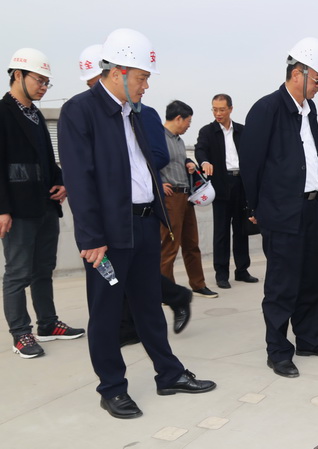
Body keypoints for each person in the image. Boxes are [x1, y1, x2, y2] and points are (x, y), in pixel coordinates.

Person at [58, 28, 215, 419]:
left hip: (144, 225)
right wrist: (91, 237)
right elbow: (79, 178)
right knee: (107, 313)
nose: (147, 86)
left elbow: (144, 166)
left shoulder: (136, 114)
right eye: (143, 77)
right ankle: (112, 388)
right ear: (119, 73)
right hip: (109, 236)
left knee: (148, 307)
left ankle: (169, 375)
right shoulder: (80, 111)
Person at [239, 37, 318, 378]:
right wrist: (256, 208)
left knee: (310, 282)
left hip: (312, 210)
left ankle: (310, 340)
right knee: (282, 286)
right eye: (317, 80)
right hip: (282, 213)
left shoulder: (309, 111)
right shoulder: (266, 109)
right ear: (298, 72)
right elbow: (251, 165)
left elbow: (315, 161)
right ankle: (278, 351)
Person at [0, 48, 84, 359]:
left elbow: (48, 159)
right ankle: (21, 333)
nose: (44, 87)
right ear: (18, 75)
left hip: (45, 205)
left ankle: (48, 324)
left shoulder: (35, 116)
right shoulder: (3, 113)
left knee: (43, 269)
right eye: (39, 80)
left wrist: (62, 182)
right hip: (18, 210)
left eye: (47, 82)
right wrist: (2, 208)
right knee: (18, 273)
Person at [195, 94, 257, 289]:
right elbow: (200, 150)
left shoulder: (242, 131)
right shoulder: (207, 131)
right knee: (221, 232)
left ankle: (242, 270)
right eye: (214, 109)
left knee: (241, 230)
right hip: (221, 185)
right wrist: (204, 162)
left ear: (230, 109)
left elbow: (252, 154)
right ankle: (221, 274)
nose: (218, 113)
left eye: (222, 109)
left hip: (241, 184)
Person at [160, 100, 218, 299]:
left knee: (191, 244)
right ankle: (166, 291)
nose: (188, 126)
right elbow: (146, 163)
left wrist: (188, 163)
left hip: (186, 197)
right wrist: (158, 183)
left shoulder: (178, 140)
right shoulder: (157, 137)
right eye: (188, 121)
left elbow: (177, 161)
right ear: (178, 118)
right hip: (170, 198)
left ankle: (198, 284)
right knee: (169, 246)